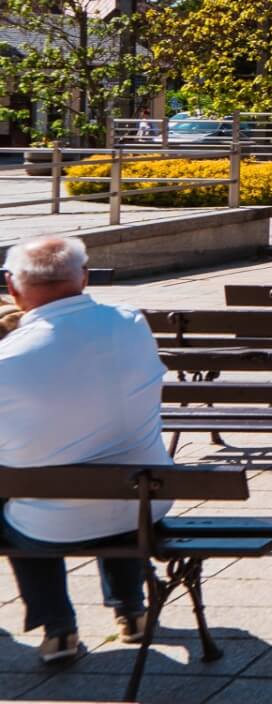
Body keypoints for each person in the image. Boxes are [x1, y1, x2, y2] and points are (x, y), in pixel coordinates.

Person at [0, 237, 169, 666]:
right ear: (84, 277)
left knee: (16, 496)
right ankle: (131, 609)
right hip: (143, 506)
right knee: (115, 461)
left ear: (12, 288)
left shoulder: (8, 358)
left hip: (49, 524)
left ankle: (57, 627)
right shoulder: (132, 324)